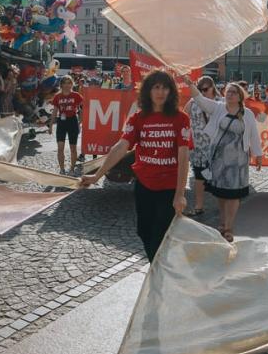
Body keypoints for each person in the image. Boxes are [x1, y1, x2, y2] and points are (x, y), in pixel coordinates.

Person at [80, 70, 192, 262]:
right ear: (148, 91)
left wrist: (180, 194)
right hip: (144, 185)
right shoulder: (138, 118)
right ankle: (158, 269)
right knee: (144, 231)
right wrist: (97, 176)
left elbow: (184, 157)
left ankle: (158, 274)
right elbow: (121, 147)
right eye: (156, 87)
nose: (161, 92)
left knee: (161, 234)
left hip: (169, 187)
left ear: (171, 92)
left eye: (165, 87)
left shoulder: (180, 119)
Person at [186, 79, 263, 242]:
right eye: (228, 92)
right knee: (221, 194)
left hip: (238, 161)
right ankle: (222, 221)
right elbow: (199, 99)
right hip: (219, 159)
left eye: (233, 92)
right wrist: (190, 84)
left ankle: (229, 228)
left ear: (240, 96)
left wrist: (258, 154)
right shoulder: (218, 108)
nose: (229, 95)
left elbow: (254, 135)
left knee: (233, 195)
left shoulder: (247, 113)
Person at [183, 75, 220, 217]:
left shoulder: (219, 102)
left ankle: (221, 203)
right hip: (198, 148)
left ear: (212, 88)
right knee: (198, 176)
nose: (202, 93)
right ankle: (199, 206)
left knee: (217, 177)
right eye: (200, 89)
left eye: (205, 89)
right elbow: (183, 115)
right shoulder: (193, 102)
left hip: (215, 148)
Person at [49, 75, 83, 175]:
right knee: (60, 148)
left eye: (69, 83)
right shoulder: (57, 96)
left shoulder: (76, 95)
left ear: (72, 84)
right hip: (61, 122)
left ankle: (72, 169)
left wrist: (80, 121)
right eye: (65, 83)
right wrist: (50, 125)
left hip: (72, 121)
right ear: (61, 84)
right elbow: (55, 111)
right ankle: (62, 169)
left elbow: (82, 109)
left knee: (73, 147)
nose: (67, 85)